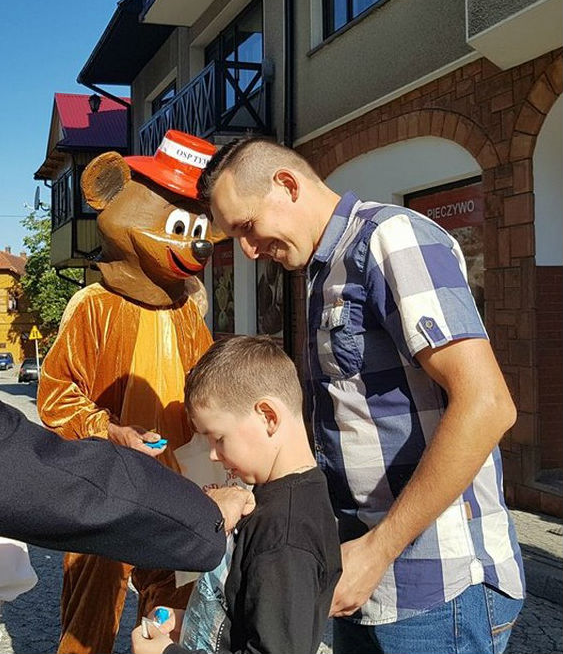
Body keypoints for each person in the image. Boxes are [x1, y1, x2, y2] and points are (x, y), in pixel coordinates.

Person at [195, 137, 526, 654]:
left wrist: (379, 549)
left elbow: (487, 406)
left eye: (247, 226)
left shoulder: (390, 238)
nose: (248, 250)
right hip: (364, 576)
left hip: (433, 589)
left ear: (287, 185)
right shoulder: (322, 272)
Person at [36, 131, 225, 654]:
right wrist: (107, 429)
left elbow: (210, 386)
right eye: (180, 227)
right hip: (106, 482)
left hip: (178, 486)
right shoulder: (95, 307)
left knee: (171, 603)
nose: (196, 243)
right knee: (92, 603)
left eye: (197, 229)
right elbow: (56, 393)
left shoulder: (187, 314)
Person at [131, 335, 342, 654]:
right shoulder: (272, 500)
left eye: (218, 438)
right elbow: (249, 615)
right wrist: (192, 623)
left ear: (268, 416)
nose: (213, 455)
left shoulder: (285, 537)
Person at [0, 401, 254, 569]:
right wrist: (108, 429)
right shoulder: (90, 323)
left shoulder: (191, 326)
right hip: (127, 509)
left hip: (172, 490)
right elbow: (39, 469)